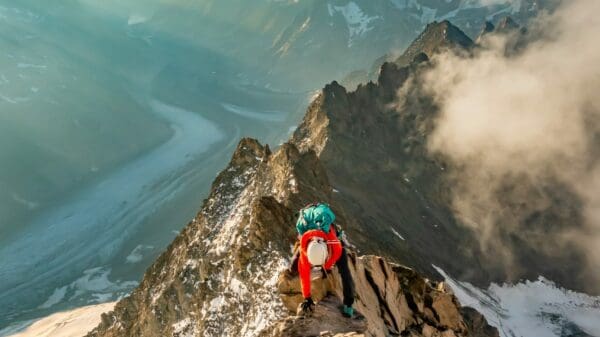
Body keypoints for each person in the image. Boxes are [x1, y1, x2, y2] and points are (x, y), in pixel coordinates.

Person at [291, 203, 355, 317]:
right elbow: (304, 275)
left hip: (325, 230)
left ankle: (348, 304)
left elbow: (337, 268)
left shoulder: (335, 246)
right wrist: (307, 297)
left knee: (345, 272)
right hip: (310, 233)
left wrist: (327, 266)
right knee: (294, 266)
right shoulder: (305, 254)